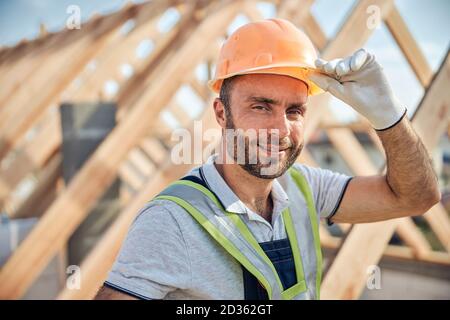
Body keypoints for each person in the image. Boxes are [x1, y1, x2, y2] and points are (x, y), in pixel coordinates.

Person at [95, 18, 440, 300]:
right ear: (221, 112)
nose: (280, 129)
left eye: (294, 110)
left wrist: (389, 118)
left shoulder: (305, 187)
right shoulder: (171, 221)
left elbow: (416, 196)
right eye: (261, 107)